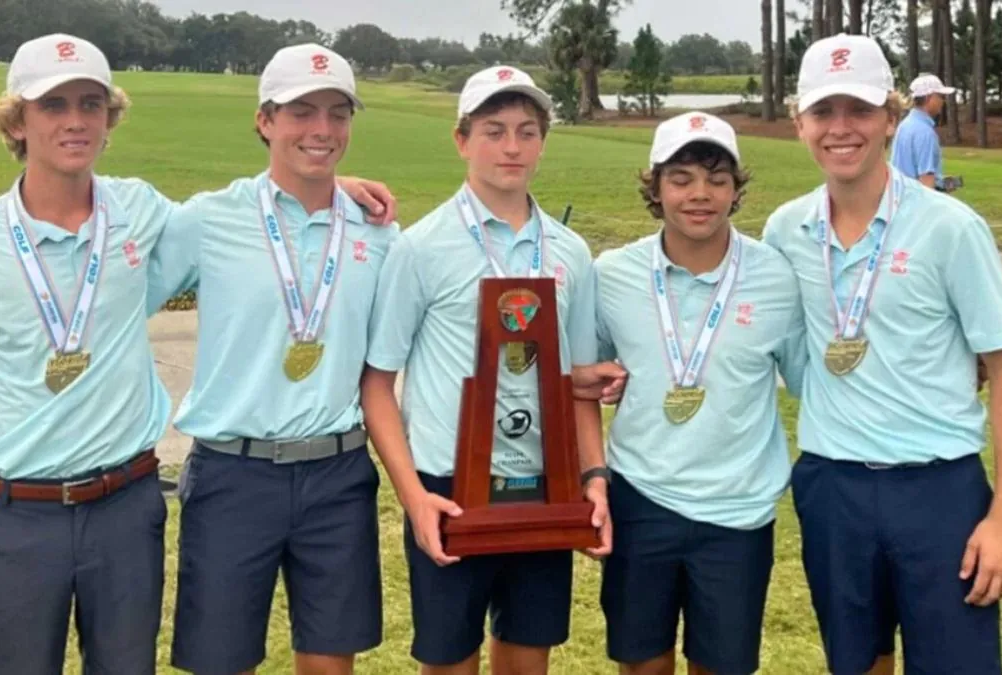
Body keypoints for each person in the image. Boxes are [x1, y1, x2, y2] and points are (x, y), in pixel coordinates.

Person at [0, 34, 396, 673]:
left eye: (90, 103)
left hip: (139, 505)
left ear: (110, 118)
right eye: (53, 105)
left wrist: (328, 181)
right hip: (52, 506)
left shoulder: (139, 212)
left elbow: (280, 203)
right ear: (17, 120)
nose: (75, 119)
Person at [764, 33, 1002, 675]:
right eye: (823, 112)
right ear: (799, 122)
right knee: (856, 662)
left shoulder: (950, 227)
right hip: (833, 486)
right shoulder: (784, 231)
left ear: (889, 118)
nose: (840, 129)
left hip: (938, 488)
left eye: (858, 110)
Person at [143, 44, 397, 675]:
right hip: (234, 474)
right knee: (221, 661)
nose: (322, 130)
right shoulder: (208, 218)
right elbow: (115, 307)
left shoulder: (375, 230)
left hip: (337, 473)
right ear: (265, 121)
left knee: (331, 660)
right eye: (301, 112)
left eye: (338, 114)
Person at [359, 65, 611, 675]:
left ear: (544, 142)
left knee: (528, 653)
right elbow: (377, 385)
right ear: (462, 140)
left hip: (544, 488)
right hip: (449, 488)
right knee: (450, 658)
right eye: (493, 130)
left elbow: (579, 388)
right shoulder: (420, 247)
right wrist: (414, 497)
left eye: (527, 131)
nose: (512, 147)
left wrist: (595, 479)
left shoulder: (569, 251)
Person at [591, 111, 806, 675]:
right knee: (642, 662)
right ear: (656, 187)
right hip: (640, 498)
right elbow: (579, 384)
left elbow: (817, 379)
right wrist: (591, 476)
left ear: (737, 190)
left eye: (717, 178)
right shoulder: (611, 274)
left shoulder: (776, 277)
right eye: (681, 178)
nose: (700, 194)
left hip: (738, 510)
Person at [890, 73, 958, 191]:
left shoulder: (905, 125)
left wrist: (941, 182)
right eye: (940, 96)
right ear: (928, 98)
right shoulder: (925, 132)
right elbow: (926, 182)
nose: (943, 101)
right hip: (915, 202)